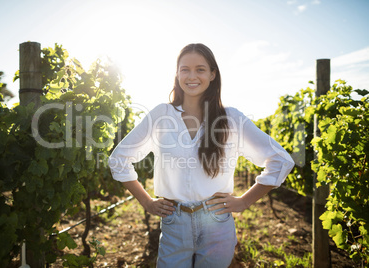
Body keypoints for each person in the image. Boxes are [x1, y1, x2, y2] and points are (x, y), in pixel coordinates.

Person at [108, 43, 295, 268]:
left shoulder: (231, 119)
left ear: (213, 74)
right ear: (177, 75)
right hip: (174, 221)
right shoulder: (161, 115)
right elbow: (118, 159)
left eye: (200, 69)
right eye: (184, 69)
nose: (192, 76)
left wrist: (244, 201)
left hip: (217, 223)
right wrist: (146, 202)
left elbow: (281, 160)